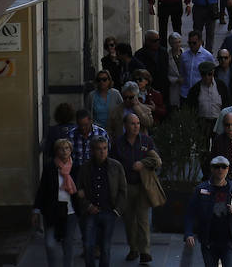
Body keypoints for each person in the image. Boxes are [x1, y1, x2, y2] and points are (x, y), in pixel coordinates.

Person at [110, 112, 161, 264]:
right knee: (129, 221)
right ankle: (133, 248)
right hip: (126, 187)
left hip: (142, 185)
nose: (136, 126)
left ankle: (145, 251)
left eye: (138, 123)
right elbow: (112, 165)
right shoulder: (118, 143)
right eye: (132, 123)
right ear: (125, 126)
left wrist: (143, 164)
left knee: (143, 219)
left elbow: (157, 161)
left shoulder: (146, 141)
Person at [184, 155, 232, 267]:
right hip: (209, 242)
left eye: (223, 167)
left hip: (230, 242)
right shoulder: (201, 190)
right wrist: (189, 233)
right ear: (211, 169)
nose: (220, 170)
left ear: (228, 169)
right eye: (217, 167)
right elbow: (190, 213)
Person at [75, 136, 127, 267]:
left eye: (104, 148)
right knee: (88, 245)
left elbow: (123, 190)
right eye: (99, 149)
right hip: (90, 212)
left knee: (105, 246)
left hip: (109, 211)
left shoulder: (116, 166)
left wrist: (117, 211)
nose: (102, 152)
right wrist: (88, 206)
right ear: (92, 151)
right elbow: (79, 191)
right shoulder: (85, 168)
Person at [33, 138, 79, 267]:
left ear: (71, 150)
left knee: (68, 243)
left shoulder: (76, 167)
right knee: (50, 243)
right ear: (56, 151)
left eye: (67, 148)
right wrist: (36, 210)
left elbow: (81, 187)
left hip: (70, 211)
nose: (64, 151)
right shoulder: (50, 167)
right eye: (61, 148)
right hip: (52, 211)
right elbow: (42, 189)